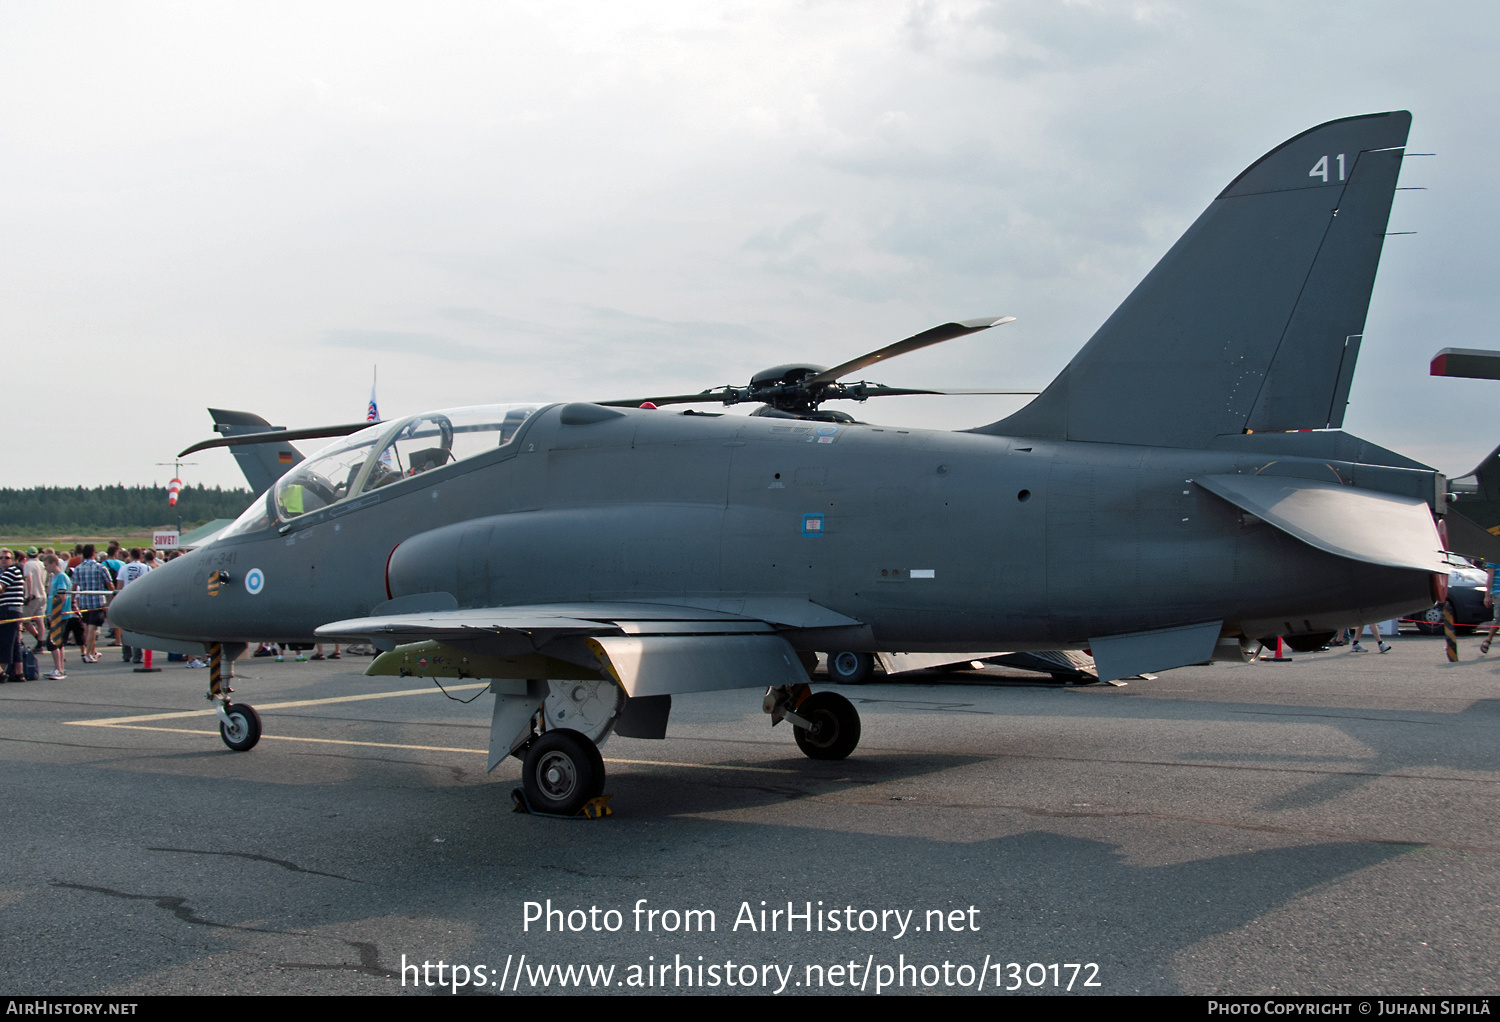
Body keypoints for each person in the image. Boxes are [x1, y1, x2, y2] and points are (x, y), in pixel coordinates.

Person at [70, 545, 115, 663]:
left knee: (87, 626)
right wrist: (112, 593)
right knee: (93, 628)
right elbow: (109, 585)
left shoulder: (78, 568)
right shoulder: (100, 567)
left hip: (84, 601)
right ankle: (88, 653)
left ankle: (92, 650)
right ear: (93, 554)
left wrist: (72, 601)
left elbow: (74, 587)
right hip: (97, 601)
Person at [115, 548, 150, 663]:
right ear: (140, 556)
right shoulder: (146, 568)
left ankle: (126, 654)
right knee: (138, 628)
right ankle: (137, 655)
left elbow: (119, 585)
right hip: (139, 600)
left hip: (125, 599)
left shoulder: (123, 568)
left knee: (125, 628)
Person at [41, 554, 69, 679]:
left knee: (51, 642)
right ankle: (60, 668)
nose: (45, 568)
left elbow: (62, 596)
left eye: (46, 565)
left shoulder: (61, 577)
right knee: (59, 642)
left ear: (53, 563)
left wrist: (55, 613)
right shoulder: (55, 578)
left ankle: (59, 669)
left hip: (59, 615)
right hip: (55, 614)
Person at [0, 550, 25, 681]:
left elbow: (1, 587)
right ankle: (18, 673)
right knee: (14, 642)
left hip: (8, 610)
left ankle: (1, 671)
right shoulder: (7, 572)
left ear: (12, 559)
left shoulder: (11, 571)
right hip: (13, 609)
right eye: (1, 558)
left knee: (5, 641)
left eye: (7, 557)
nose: (3, 560)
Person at [22, 547, 46, 650]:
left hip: (34, 595)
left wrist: (28, 595)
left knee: (25, 621)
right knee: (39, 621)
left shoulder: (28, 565)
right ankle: (40, 641)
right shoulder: (41, 564)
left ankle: (38, 639)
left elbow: (29, 579)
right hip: (42, 594)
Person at [1480, 559, 1500, 654]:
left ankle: (1488, 640)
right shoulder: (1493, 557)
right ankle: (1488, 640)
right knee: (1499, 619)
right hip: (1498, 592)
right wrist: (1487, 595)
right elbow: (1490, 577)